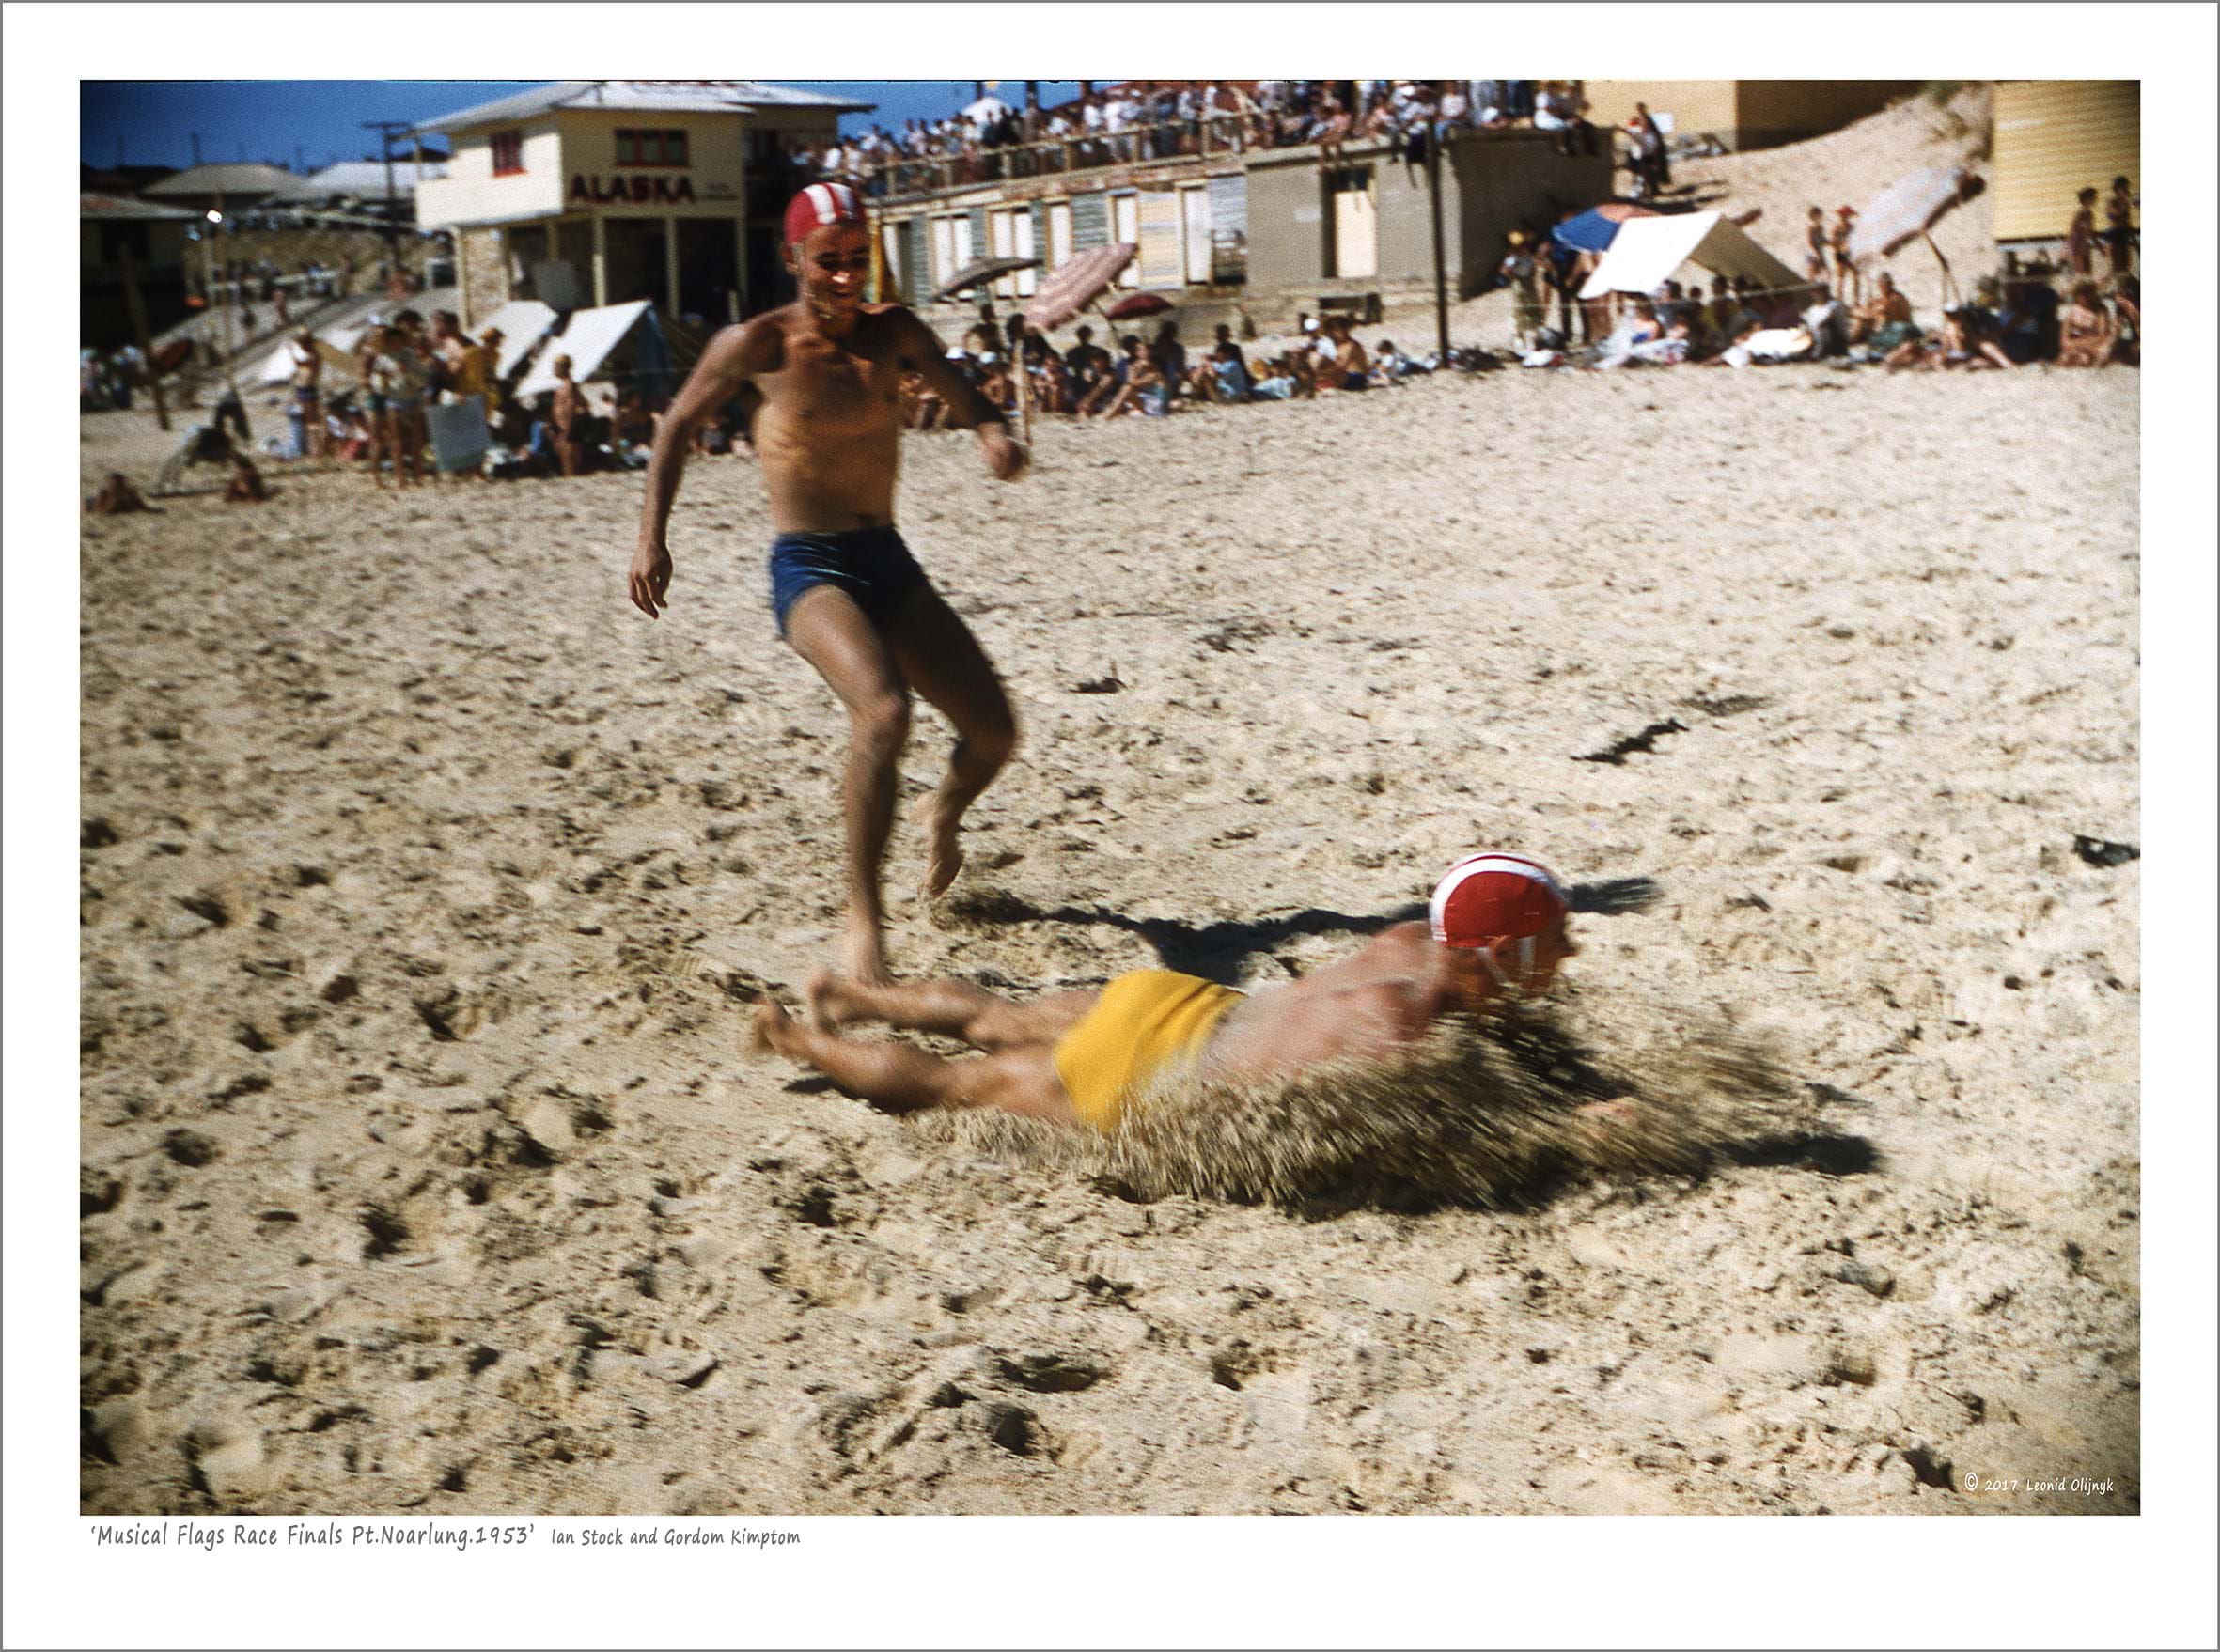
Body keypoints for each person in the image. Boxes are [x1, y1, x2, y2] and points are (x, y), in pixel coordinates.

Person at [627, 181, 1027, 983]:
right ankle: (864, 921)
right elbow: (676, 426)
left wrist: (993, 435)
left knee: (994, 734)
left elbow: (968, 399)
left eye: (857, 259)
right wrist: (652, 540)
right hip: (809, 566)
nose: (846, 278)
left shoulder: (896, 333)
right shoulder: (758, 344)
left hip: (888, 558)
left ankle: (941, 811)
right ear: (794, 259)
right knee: (884, 711)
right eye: (828, 263)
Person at [753, 853, 1581, 1133]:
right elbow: (1456, 1130)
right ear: (1499, 951)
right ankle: (797, 1038)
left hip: (1173, 1003)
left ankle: (851, 996)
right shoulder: (1405, 1030)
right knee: (954, 1085)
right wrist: (1563, 1124)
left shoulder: (1409, 943)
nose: (1570, 953)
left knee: (994, 1016)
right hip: (1147, 1074)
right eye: (1556, 941)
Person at [2056, 280, 2118, 367]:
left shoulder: (2100, 311)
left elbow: (2102, 336)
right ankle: (2082, 357)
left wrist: (2080, 344)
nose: (2084, 298)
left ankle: (2086, 358)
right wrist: (2075, 344)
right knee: (2068, 359)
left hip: (2093, 345)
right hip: (2077, 343)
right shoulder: (2071, 311)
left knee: (2102, 353)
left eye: (2087, 295)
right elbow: (2064, 339)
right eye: (2081, 295)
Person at [550, 354, 591, 476]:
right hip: (565, 428)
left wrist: (565, 431)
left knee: (570, 466)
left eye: (556, 367)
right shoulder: (565, 386)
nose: (554, 370)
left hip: (567, 428)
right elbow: (584, 403)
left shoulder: (568, 387)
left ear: (564, 368)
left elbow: (570, 408)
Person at [2103, 175, 2135, 279]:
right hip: (2113, 237)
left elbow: (2127, 220)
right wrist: (2125, 201)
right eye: (2124, 187)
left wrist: (2133, 237)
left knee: (2125, 267)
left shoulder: (2125, 203)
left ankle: (2123, 286)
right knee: (2114, 268)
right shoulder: (2111, 202)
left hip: (2123, 236)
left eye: (2127, 187)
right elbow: (2117, 213)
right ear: (2117, 189)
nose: (2126, 190)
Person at [2066, 186, 2099, 279]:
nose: (2095, 199)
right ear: (2086, 199)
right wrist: (2073, 248)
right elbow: (2073, 231)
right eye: (2093, 197)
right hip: (2078, 246)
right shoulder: (2080, 213)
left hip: (2084, 246)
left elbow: (2090, 232)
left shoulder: (2089, 214)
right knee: (2081, 272)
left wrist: (2098, 245)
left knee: (2087, 272)